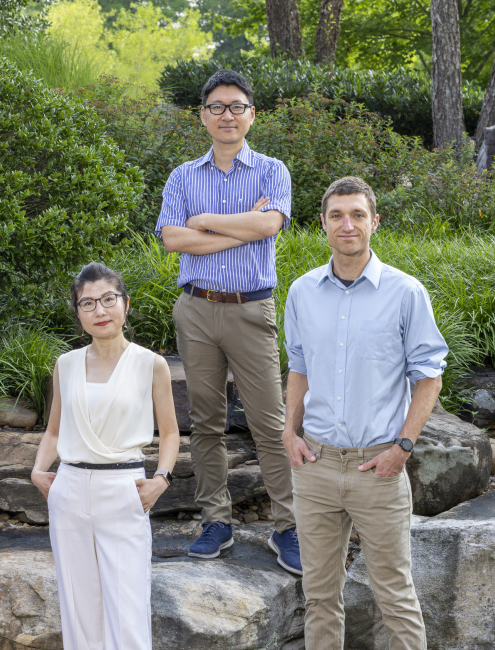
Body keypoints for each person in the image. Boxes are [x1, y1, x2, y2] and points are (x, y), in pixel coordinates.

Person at [283, 176, 447, 649]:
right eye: (337, 215)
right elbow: (298, 367)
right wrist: (288, 433)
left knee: (394, 595)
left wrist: (403, 447)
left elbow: (428, 376)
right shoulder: (302, 292)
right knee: (318, 595)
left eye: (357, 215)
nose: (347, 224)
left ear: (374, 221)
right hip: (313, 465)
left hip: (378, 465)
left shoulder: (406, 292)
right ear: (323, 224)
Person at [154, 68, 301, 572]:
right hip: (195, 309)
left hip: (250, 309)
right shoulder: (182, 176)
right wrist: (243, 230)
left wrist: (205, 223)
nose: (227, 115)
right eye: (217, 107)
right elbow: (174, 240)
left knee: (270, 422)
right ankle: (216, 520)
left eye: (236, 106)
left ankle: (288, 526)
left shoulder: (271, 170)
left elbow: (270, 224)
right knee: (207, 422)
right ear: (203, 116)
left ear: (251, 115)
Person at [31, 262, 180, 650]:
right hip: (70, 488)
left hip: (124, 486)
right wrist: (37, 470)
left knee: (127, 608)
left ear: (125, 304)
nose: (100, 311)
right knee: (78, 607)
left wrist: (161, 479)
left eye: (108, 299)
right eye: (88, 303)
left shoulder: (151, 363)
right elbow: (53, 430)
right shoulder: (66, 364)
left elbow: (169, 432)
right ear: (78, 313)